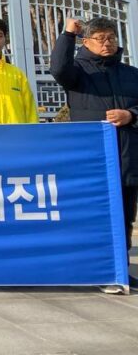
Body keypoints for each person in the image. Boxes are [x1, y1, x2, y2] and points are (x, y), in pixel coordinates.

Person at [51, 17, 138, 264]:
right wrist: (68, 35)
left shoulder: (131, 74)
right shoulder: (77, 72)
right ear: (86, 42)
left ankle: (119, 267)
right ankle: (94, 266)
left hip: (127, 156)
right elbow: (58, 68)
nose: (107, 43)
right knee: (95, 215)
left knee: (124, 216)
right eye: (100, 38)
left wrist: (131, 115)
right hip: (93, 158)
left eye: (111, 37)